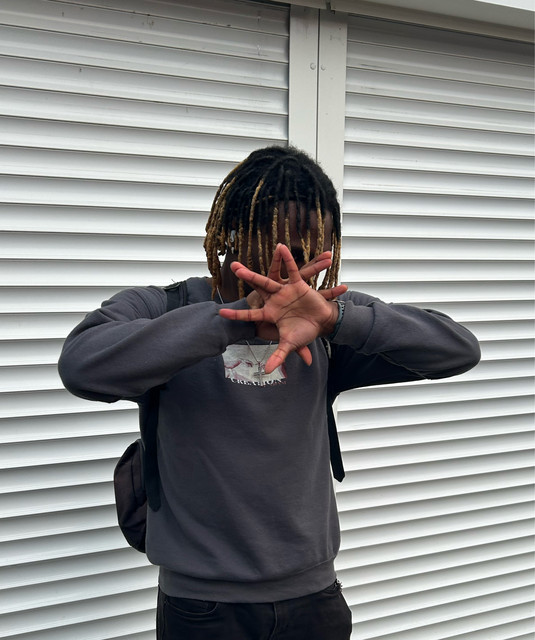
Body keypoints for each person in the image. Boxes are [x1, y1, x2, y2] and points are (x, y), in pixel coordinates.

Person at [58, 145, 480, 640]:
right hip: (203, 608)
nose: (290, 264)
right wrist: (232, 320)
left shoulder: (324, 321)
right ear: (229, 234)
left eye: (306, 250)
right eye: (273, 244)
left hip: (314, 601)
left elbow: (457, 349)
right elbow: (81, 366)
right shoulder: (164, 308)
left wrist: (339, 320)